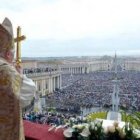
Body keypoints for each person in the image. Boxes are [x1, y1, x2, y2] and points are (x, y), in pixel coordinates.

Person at [0, 17, 36, 140]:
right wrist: (19, 75)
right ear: (8, 54)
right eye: (12, 55)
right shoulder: (6, 70)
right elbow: (28, 92)